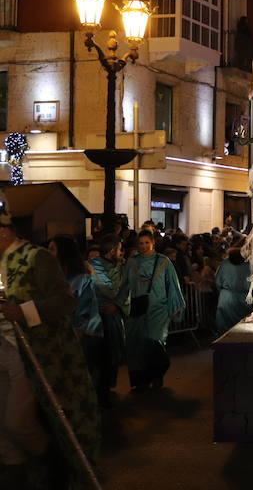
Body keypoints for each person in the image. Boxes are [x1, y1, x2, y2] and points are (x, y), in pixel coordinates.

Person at [0, 193, 100, 488]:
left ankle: (54, 462)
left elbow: (63, 301)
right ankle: (17, 473)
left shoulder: (35, 257)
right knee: (4, 427)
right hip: (2, 351)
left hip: (31, 353)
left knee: (18, 422)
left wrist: (22, 311)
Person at [123, 229, 185, 390]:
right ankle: (140, 381)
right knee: (137, 343)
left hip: (159, 309)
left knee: (154, 341)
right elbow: (124, 286)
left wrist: (175, 306)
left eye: (147, 243)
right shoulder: (132, 262)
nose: (144, 246)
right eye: (141, 243)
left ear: (153, 243)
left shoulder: (164, 262)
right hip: (137, 308)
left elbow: (172, 285)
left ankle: (157, 375)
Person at [50, 236, 106, 408]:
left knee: (82, 373)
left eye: (52, 249)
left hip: (86, 332)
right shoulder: (56, 276)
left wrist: (78, 328)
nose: (48, 253)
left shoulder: (81, 278)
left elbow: (85, 306)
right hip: (67, 332)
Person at [90, 233, 128, 407]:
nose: (122, 252)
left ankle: (107, 387)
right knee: (100, 356)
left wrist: (118, 305)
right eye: (119, 249)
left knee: (113, 354)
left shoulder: (121, 267)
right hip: (96, 318)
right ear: (112, 250)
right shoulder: (94, 266)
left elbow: (127, 290)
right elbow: (110, 290)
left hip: (114, 316)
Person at [214, 246, 253, 336]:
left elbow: (218, 281)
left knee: (225, 327)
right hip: (245, 298)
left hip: (225, 298)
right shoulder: (248, 265)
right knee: (242, 327)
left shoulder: (224, 264)